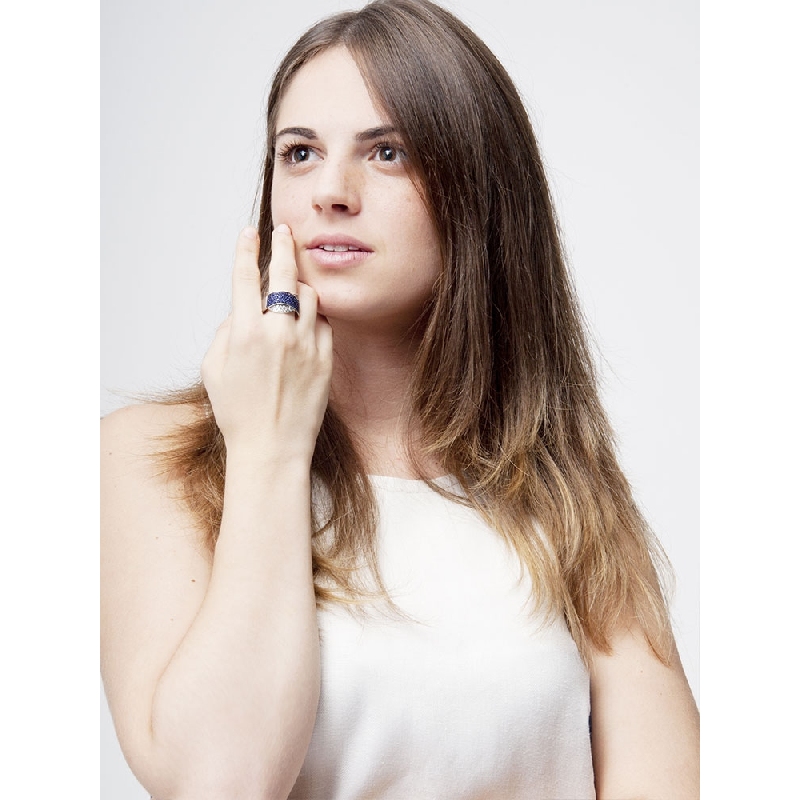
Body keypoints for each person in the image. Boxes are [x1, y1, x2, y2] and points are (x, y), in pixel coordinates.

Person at [100, 0, 700, 798]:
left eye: (387, 152)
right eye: (300, 152)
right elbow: (220, 783)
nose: (332, 193)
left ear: (480, 196)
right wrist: (269, 447)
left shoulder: (565, 488)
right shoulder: (149, 457)